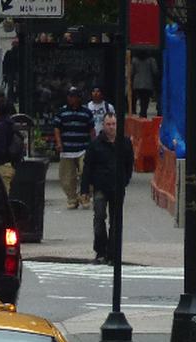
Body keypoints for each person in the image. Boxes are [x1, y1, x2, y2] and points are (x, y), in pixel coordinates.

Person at [80, 112, 134, 265]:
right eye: (108, 124)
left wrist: (125, 180)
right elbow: (88, 167)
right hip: (100, 187)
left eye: (113, 124)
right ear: (103, 126)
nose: (111, 127)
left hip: (117, 187)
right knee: (99, 218)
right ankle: (100, 251)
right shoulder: (95, 144)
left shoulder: (125, 143)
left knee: (116, 222)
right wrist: (85, 188)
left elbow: (129, 164)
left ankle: (113, 253)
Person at [53, 86, 94, 209]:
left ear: (79, 98)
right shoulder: (61, 112)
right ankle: (72, 198)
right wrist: (59, 143)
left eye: (74, 96)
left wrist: (93, 145)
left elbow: (92, 130)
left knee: (87, 173)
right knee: (67, 176)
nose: (72, 99)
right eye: (70, 96)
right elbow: (57, 129)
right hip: (67, 150)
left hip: (83, 148)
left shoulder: (86, 113)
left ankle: (85, 195)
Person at [131, 52, 158, 119]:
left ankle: (141, 112)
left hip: (137, 83)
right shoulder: (151, 60)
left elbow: (132, 72)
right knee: (145, 99)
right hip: (148, 83)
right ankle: (143, 112)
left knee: (140, 98)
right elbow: (155, 71)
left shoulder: (134, 60)